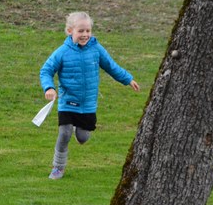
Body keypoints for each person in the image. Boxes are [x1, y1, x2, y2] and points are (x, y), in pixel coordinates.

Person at [39, 12, 140, 179]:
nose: (85, 35)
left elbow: (111, 66)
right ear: (70, 31)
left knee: (83, 137)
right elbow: (46, 70)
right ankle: (58, 167)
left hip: (87, 104)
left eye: (88, 30)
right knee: (64, 133)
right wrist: (48, 88)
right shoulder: (62, 52)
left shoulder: (96, 49)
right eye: (81, 31)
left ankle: (80, 131)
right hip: (67, 101)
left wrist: (128, 79)